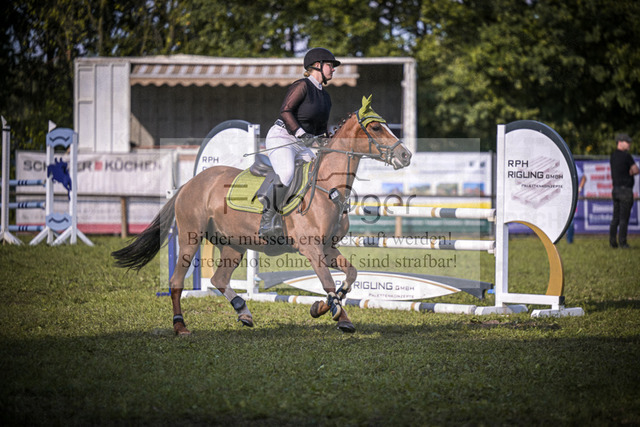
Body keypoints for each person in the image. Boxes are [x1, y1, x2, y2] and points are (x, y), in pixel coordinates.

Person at [258, 47, 341, 239]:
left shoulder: (326, 97)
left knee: (319, 172)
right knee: (287, 173)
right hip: (282, 137)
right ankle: (266, 221)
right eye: (330, 65)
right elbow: (286, 111)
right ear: (317, 65)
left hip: (301, 144)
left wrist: (329, 142)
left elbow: (321, 129)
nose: (333, 69)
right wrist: (301, 133)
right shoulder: (302, 85)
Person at [609, 133, 639, 248]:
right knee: (623, 219)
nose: (629, 144)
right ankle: (623, 242)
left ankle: (612, 242)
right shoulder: (627, 156)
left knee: (615, 218)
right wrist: (630, 172)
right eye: (627, 142)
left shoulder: (613, 156)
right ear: (620, 142)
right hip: (626, 191)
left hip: (615, 190)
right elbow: (636, 170)